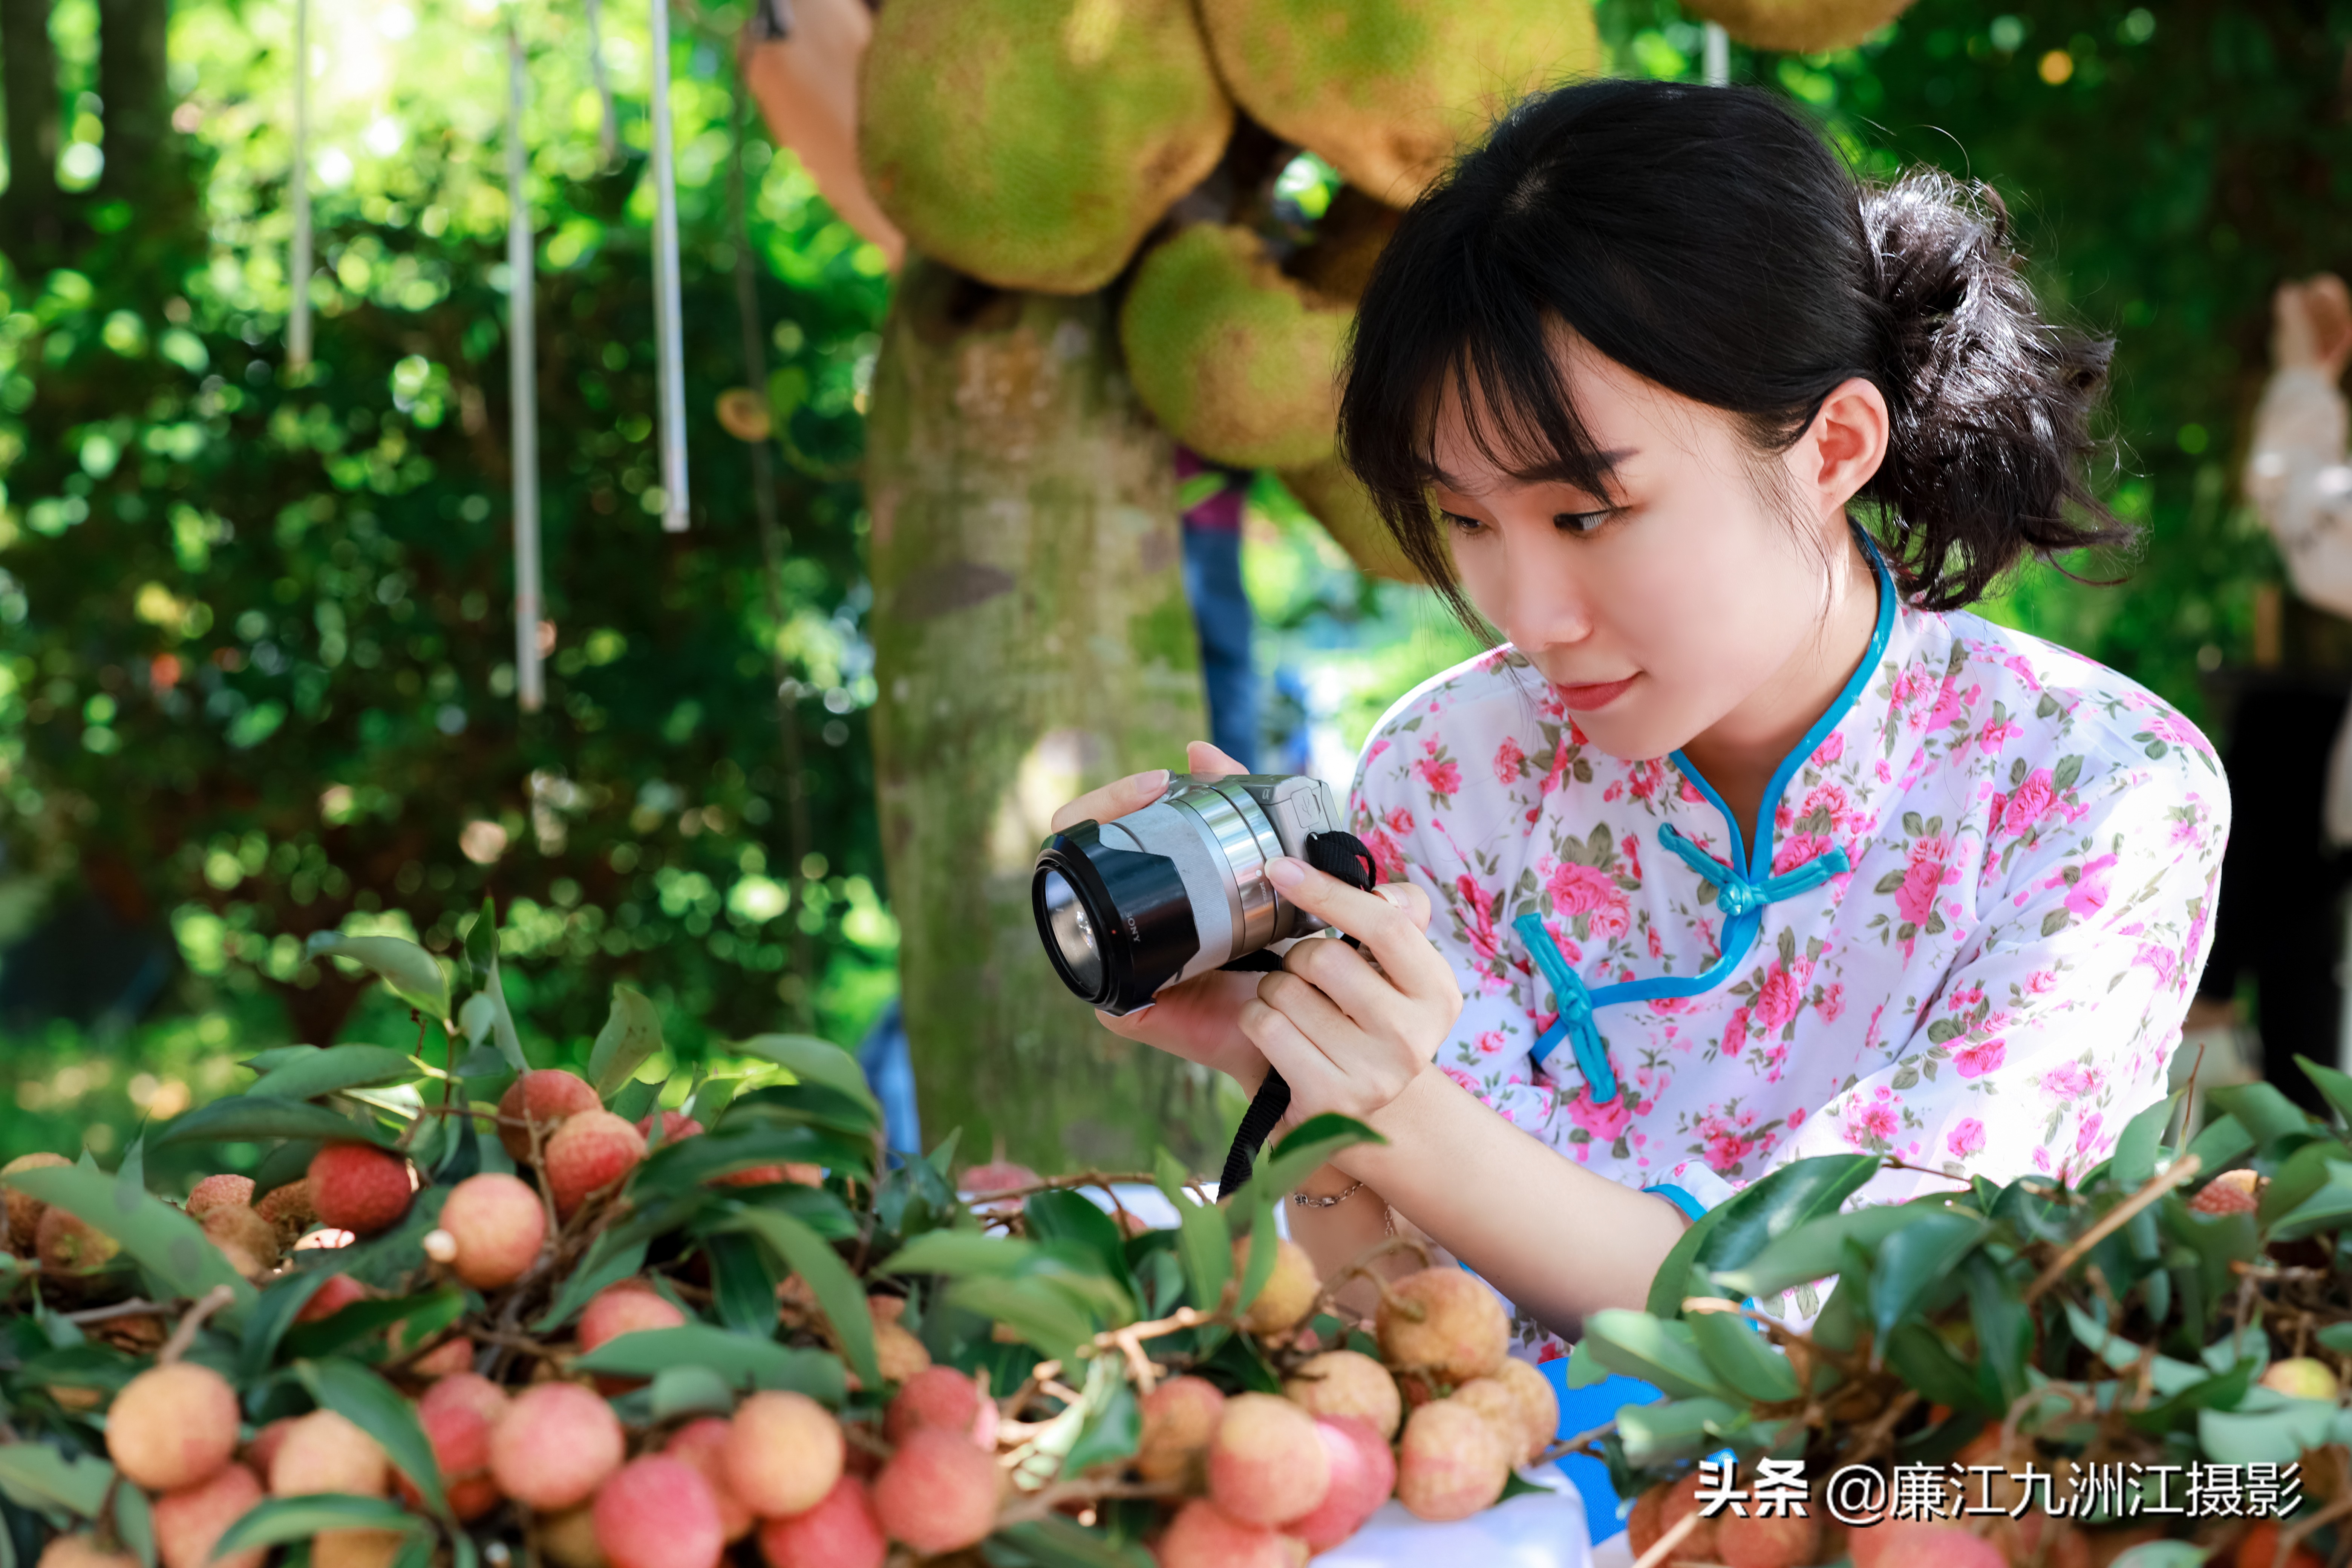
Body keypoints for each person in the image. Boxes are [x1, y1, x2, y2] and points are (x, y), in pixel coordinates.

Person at [1050, 80, 2230, 1357]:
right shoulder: (1453, 774)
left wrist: (1401, 1115)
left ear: (1833, 448)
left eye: (1586, 513)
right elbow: (1423, 1343)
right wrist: (1276, 1066)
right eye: (1465, 521)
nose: (1527, 614)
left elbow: (1856, 1321)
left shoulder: (2101, 791)